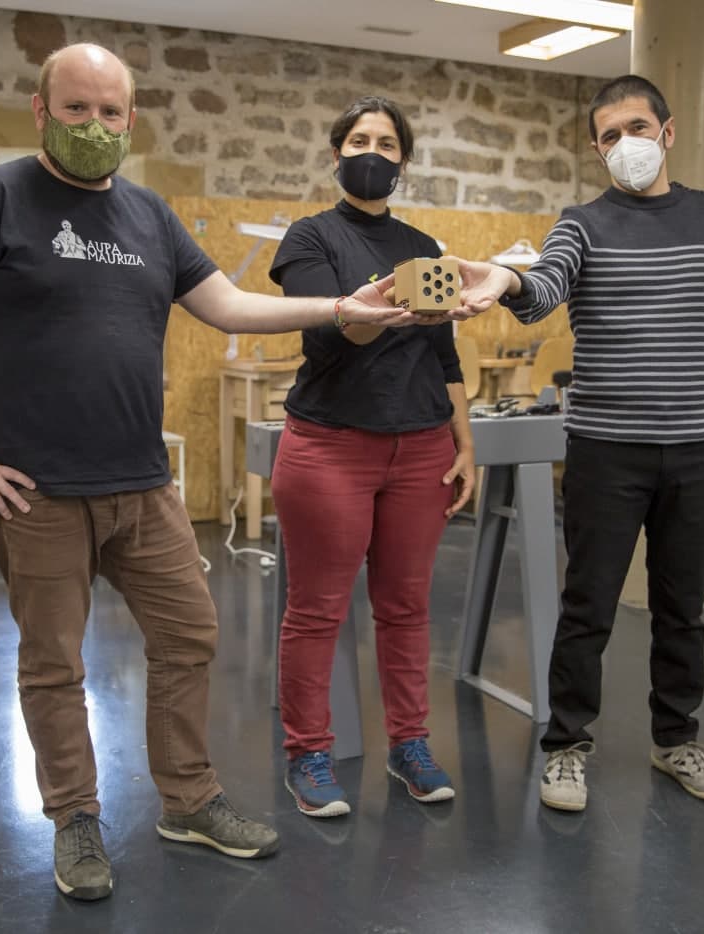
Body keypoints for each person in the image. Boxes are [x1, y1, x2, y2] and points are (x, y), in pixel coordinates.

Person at [0, 44, 420, 901]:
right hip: (37, 492)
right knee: (54, 665)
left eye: (111, 112)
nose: (95, 125)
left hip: (141, 485)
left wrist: (339, 306)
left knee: (189, 636)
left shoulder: (149, 214)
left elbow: (229, 307)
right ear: (41, 111)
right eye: (76, 109)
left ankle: (189, 799)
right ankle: (74, 818)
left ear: (131, 120)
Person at [456, 75, 704, 812]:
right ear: (598, 151)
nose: (626, 143)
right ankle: (566, 747)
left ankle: (676, 739)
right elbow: (543, 289)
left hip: (695, 448)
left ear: (667, 131)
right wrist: (506, 279)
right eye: (609, 136)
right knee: (588, 605)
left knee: (682, 608)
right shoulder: (582, 224)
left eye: (637, 127)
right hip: (605, 449)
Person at [268, 96, 476, 818]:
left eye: (387, 144)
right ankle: (308, 753)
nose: (373, 153)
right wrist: (373, 313)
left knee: (407, 607)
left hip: (421, 450)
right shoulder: (310, 238)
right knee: (316, 610)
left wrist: (465, 442)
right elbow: (327, 334)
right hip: (330, 447)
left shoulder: (424, 247)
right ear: (336, 153)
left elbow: (445, 355)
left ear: (404, 161)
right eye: (359, 140)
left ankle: (410, 744)